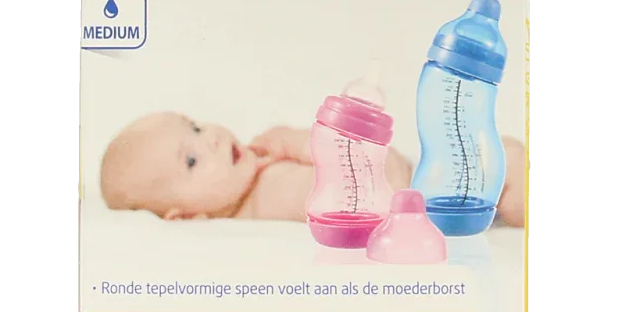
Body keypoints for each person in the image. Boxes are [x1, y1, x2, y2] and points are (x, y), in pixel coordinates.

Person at [100, 112, 525, 226]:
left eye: (195, 126)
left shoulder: (257, 175)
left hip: (414, 182)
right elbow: (367, 191)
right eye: (191, 161)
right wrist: (300, 141)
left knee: (503, 161)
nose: (210, 138)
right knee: (505, 164)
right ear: (185, 216)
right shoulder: (268, 198)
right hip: (411, 198)